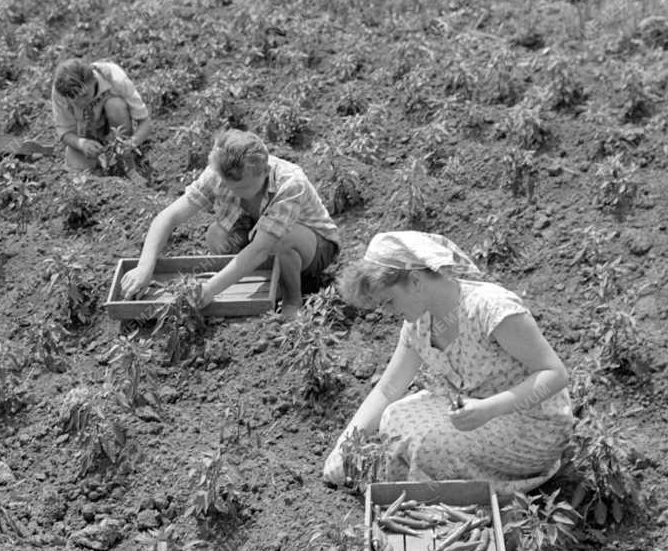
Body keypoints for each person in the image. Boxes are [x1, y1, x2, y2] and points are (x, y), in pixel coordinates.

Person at [322, 231, 573, 496]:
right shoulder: (418, 323)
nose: (388, 312)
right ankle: (426, 488)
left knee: (430, 447)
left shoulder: (491, 309)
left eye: (389, 301)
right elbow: (388, 389)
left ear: (416, 281)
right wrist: (344, 447)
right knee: (394, 418)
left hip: (532, 425)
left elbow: (555, 374)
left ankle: (458, 500)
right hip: (476, 409)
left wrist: (488, 409)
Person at [120, 129, 339, 320]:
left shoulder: (290, 183)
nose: (233, 191)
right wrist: (144, 267)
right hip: (257, 235)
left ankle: (292, 301)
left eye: (241, 187)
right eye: (228, 185)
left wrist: (208, 290)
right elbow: (168, 217)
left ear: (263, 171)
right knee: (216, 236)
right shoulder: (219, 172)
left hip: (314, 246)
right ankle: (265, 280)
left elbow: (260, 249)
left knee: (281, 241)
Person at [51, 57, 152, 174]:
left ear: (93, 80)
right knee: (75, 170)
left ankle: (124, 157)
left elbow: (145, 122)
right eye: (75, 100)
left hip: (115, 130)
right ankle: (102, 167)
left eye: (84, 95)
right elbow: (65, 132)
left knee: (115, 105)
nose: (81, 103)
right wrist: (82, 144)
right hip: (86, 136)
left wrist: (132, 143)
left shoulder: (114, 77)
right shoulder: (60, 92)